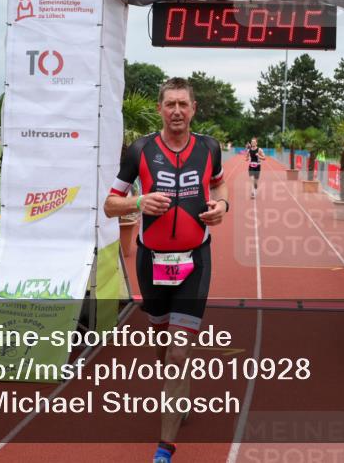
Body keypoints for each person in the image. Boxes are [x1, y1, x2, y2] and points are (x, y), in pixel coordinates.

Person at [104, 78, 228, 463]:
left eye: (183, 104)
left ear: (193, 109)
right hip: (151, 261)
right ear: (160, 109)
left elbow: (221, 189)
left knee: (177, 353)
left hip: (195, 261)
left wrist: (222, 208)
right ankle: (178, 390)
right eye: (170, 104)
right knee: (163, 344)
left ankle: (164, 448)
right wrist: (139, 201)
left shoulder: (209, 148)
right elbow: (110, 204)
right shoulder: (140, 150)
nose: (177, 111)